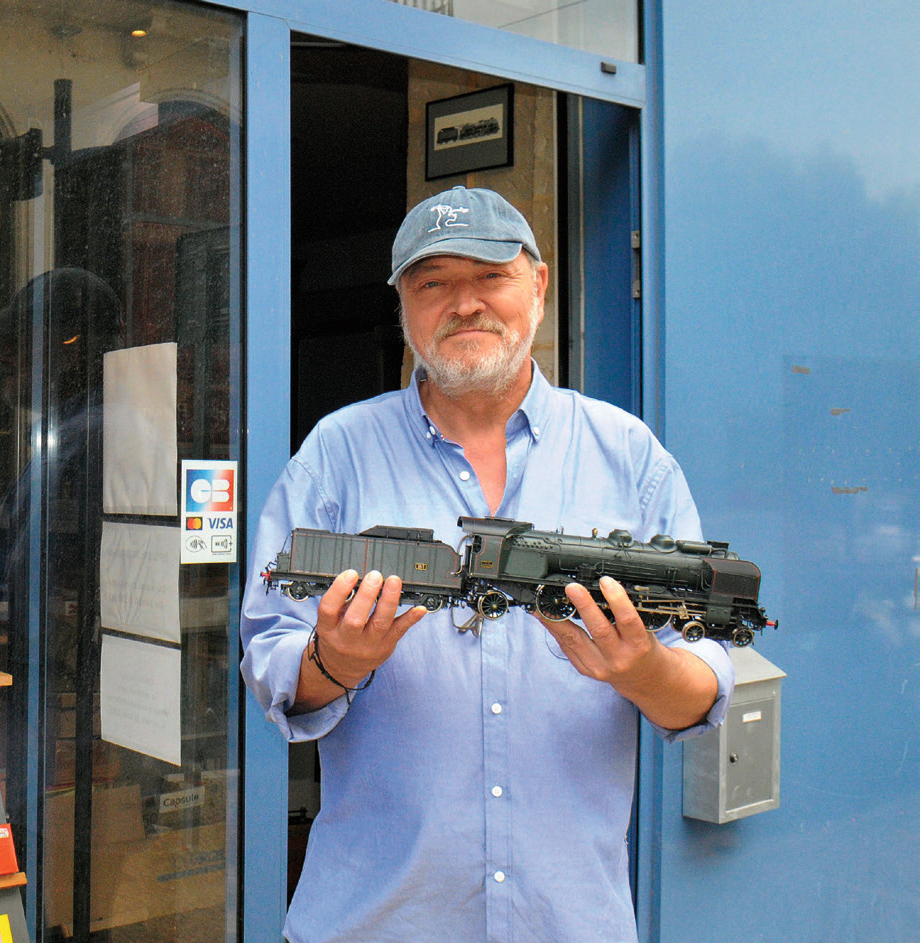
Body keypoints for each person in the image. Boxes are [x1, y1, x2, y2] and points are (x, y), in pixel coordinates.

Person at [240, 186, 734, 943]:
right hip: (373, 921)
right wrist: (333, 660)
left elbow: (699, 692)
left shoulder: (629, 455)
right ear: (403, 306)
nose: (463, 304)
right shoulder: (334, 455)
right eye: (432, 282)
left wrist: (637, 668)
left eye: (489, 276)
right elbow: (270, 658)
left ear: (536, 286)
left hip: (569, 922)